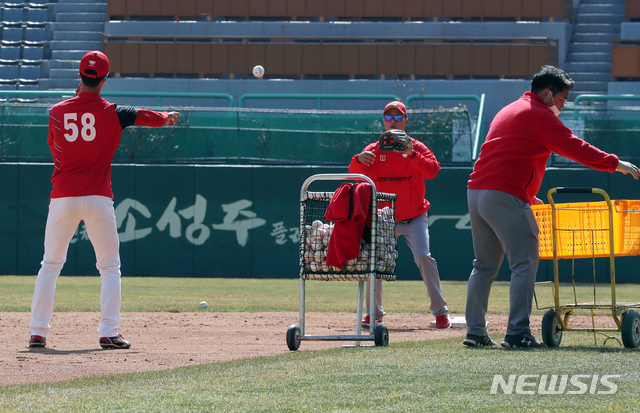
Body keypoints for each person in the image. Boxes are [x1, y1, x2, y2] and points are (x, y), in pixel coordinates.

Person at [463, 65, 640, 349]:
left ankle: (475, 332)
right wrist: (614, 163)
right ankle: (518, 333)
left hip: (477, 192)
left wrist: (527, 195)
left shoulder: (509, 109)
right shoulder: (539, 114)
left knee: (483, 266)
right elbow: (574, 147)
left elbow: (508, 154)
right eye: (562, 100)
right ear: (546, 93)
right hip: (504, 194)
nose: (562, 106)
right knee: (525, 263)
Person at [29, 51, 181, 349]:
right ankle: (109, 331)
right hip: (98, 195)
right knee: (109, 267)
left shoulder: (57, 111)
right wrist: (167, 118)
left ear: (80, 76)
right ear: (104, 79)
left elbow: (54, 148)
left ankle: (38, 332)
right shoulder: (114, 111)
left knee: (50, 264)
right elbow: (144, 116)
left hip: (63, 195)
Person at [349, 101, 450, 329]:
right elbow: (355, 176)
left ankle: (440, 313)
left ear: (406, 121)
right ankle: (373, 314)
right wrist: (358, 159)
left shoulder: (416, 147)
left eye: (398, 117)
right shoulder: (373, 149)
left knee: (424, 257)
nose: (393, 121)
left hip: (413, 216)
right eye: (389, 117)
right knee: (375, 264)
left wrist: (411, 154)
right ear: (383, 121)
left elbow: (432, 171)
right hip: (383, 218)